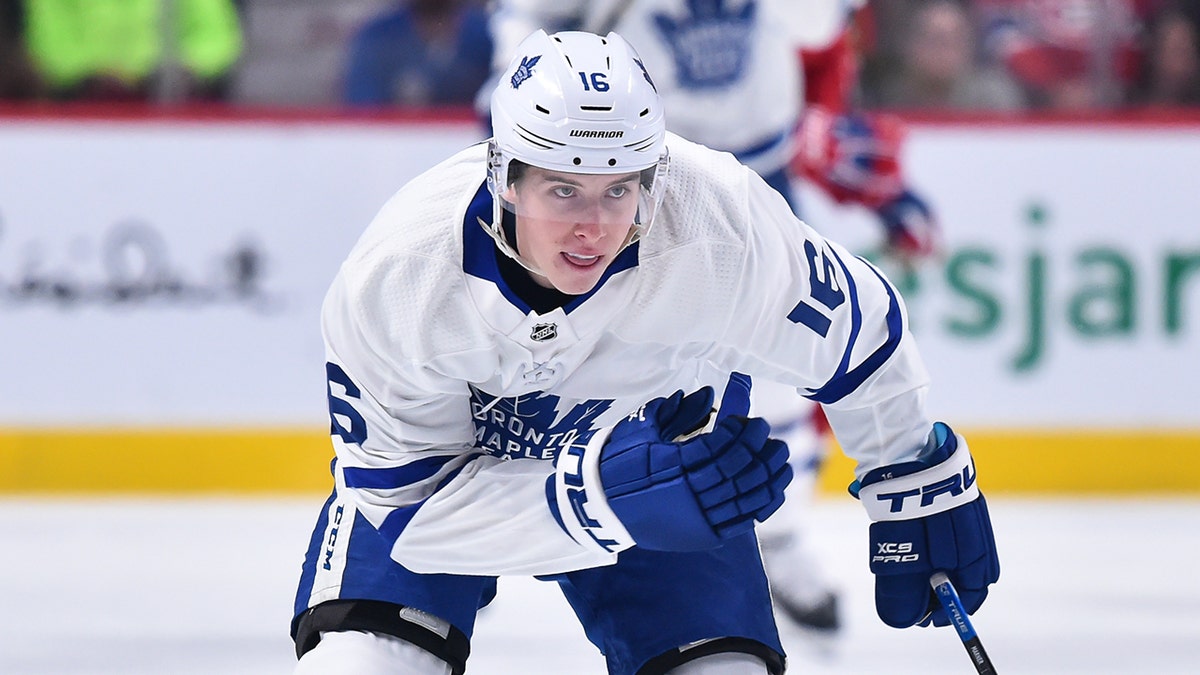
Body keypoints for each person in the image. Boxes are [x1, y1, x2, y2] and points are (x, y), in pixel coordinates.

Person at [290, 29, 999, 675]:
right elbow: (410, 520)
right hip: (470, 483)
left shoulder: (716, 215)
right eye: (563, 189)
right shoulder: (399, 278)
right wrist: (598, 494)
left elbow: (860, 330)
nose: (592, 228)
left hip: (667, 483)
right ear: (504, 176)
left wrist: (911, 469)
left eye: (618, 188)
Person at [482, 0, 942, 634]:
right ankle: (508, 530)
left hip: (761, 175)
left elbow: (816, 30)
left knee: (786, 368)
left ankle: (777, 541)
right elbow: (520, 45)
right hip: (634, 187)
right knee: (595, 368)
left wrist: (824, 136)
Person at [22, 0, 243, 103]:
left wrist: (186, 67)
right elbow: (47, 41)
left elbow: (218, 36)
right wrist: (91, 75)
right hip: (84, 102)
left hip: (170, 99)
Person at [867, 0, 1027, 111]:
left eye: (951, 41)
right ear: (910, 45)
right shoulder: (888, 100)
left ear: (968, 46)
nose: (941, 51)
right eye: (933, 40)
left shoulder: (992, 98)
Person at [342, 0, 493, 107]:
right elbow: (361, 109)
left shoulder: (488, 33)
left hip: (469, 140)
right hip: (395, 143)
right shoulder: (377, 36)